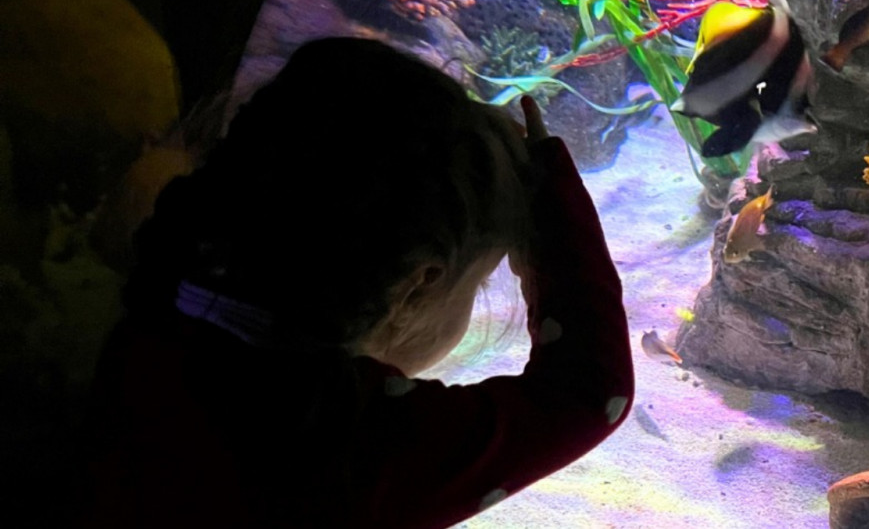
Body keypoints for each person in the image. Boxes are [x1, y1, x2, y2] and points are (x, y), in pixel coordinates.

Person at [79, 38, 634, 528]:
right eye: (480, 283)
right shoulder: (355, 447)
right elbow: (587, 394)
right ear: (417, 287)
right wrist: (555, 206)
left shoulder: (146, 324)